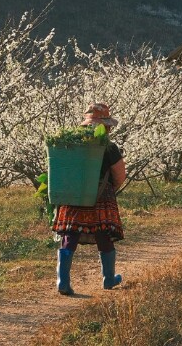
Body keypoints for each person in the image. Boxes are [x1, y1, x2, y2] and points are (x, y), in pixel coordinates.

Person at [51, 103, 127, 295]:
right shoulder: (108, 147)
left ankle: (63, 281)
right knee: (103, 233)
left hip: (72, 196)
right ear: (105, 126)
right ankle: (109, 279)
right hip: (100, 195)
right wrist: (110, 188)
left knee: (70, 234)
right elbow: (119, 175)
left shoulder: (69, 144)